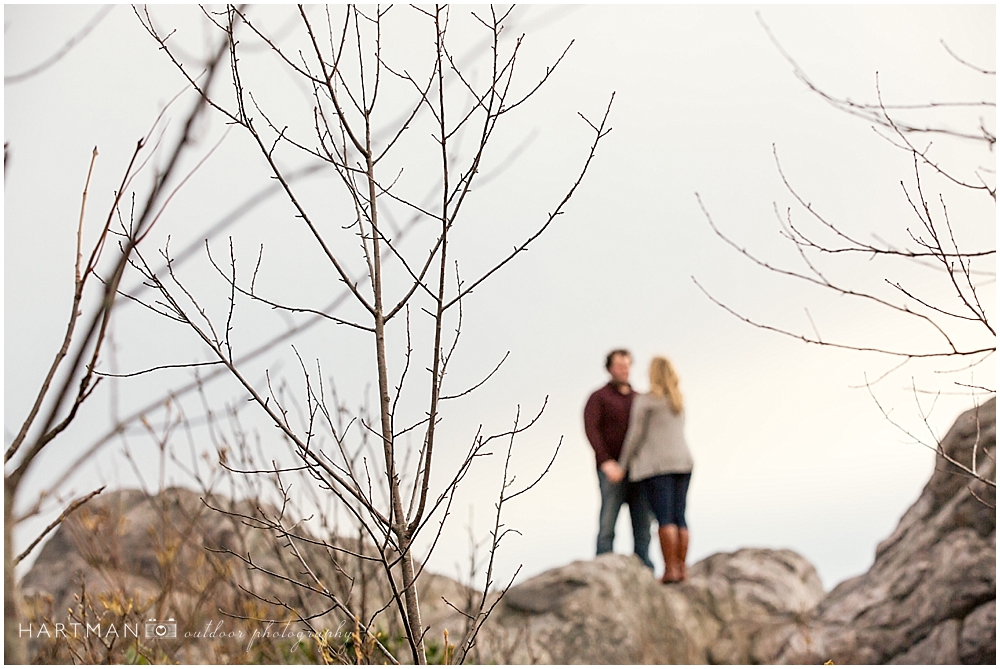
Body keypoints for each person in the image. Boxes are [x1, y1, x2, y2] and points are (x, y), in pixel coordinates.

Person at [618, 356, 694, 583]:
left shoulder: (647, 401)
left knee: (664, 517)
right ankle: (682, 568)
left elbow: (635, 436)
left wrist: (623, 465)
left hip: (657, 466)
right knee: (680, 516)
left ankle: (670, 569)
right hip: (683, 463)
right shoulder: (678, 401)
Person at [583, 349, 653, 569]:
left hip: (639, 471)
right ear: (609, 369)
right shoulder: (598, 398)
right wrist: (606, 462)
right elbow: (591, 429)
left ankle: (644, 571)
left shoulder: (639, 399)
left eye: (627, 366)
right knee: (608, 524)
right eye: (619, 366)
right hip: (611, 471)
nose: (624, 370)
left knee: (642, 525)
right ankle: (602, 569)